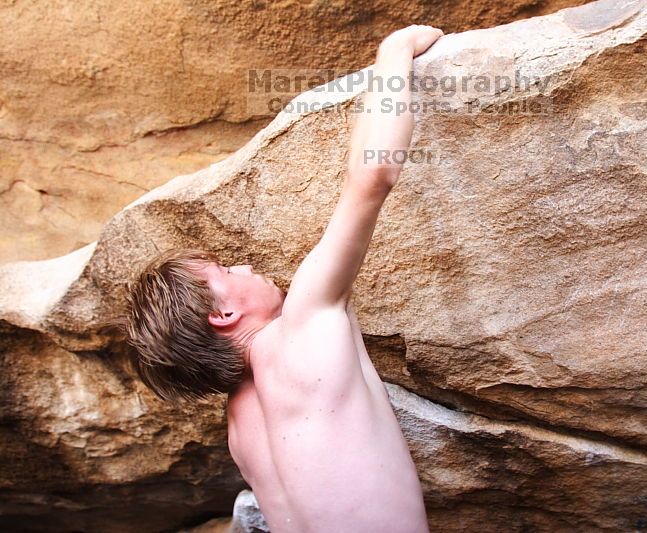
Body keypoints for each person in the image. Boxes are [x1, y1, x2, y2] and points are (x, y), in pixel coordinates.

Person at [122, 25, 445, 533]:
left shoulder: (241, 428)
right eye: (227, 272)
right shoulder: (302, 331)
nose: (247, 266)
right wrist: (394, 51)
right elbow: (372, 177)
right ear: (223, 314)